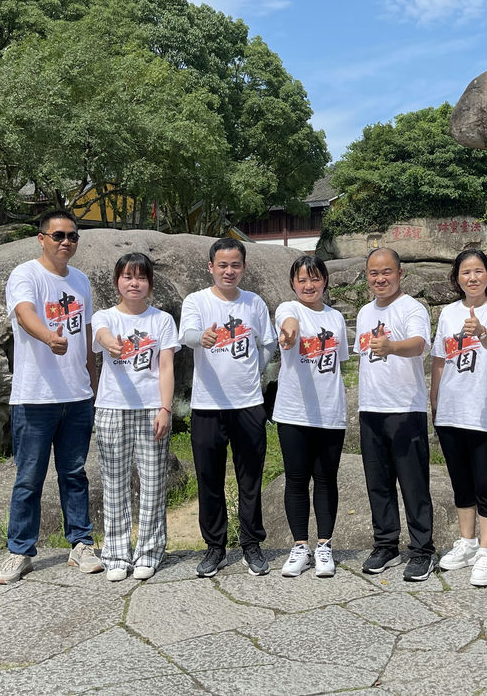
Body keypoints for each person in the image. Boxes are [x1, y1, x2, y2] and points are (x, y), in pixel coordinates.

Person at [0, 209, 102, 584]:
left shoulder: (81, 280)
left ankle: (81, 544)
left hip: (76, 396)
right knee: (29, 478)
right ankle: (20, 551)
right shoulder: (25, 275)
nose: (66, 242)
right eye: (58, 235)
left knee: (74, 474)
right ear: (41, 239)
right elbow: (24, 314)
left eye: (72, 236)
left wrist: (93, 386)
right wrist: (48, 337)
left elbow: (86, 335)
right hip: (34, 396)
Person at [180, 237, 277, 578]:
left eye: (235, 265)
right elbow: (188, 334)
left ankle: (251, 543)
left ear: (244, 267)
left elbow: (268, 343)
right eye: (222, 265)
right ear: (211, 267)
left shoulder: (254, 303)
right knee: (209, 478)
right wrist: (202, 338)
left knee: (250, 478)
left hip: (248, 404)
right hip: (207, 406)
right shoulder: (197, 301)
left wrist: (254, 371)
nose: (229, 271)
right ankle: (215, 547)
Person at [91, 252, 178, 582]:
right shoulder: (105, 317)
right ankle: (116, 554)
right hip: (112, 408)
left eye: (141, 277)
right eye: (128, 276)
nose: (134, 283)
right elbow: (101, 334)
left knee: (153, 483)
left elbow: (166, 367)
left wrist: (166, 408)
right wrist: (110, 343)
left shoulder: (162, 320)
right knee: (114, 483)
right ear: (117, 281)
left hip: (151, 409)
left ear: (150, 284)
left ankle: (149, 552)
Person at [430, 249, 487, 587]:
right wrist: (435, 399)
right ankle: (466, 543)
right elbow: (440, 359)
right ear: (457, 278)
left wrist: (480, 330)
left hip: (484, 413)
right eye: (466, 272)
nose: (473, 277)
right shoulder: (448, 313)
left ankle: (485, 550)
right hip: (451, 410)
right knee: (461, 483)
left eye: (479, 271)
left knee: (486, 483)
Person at [355, 247, 436, 581]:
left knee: (413, 483)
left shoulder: (411, 308)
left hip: (405, 410)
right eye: (374, 273)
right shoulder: (364, 312)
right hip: (370, 407)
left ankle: (422, 550)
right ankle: (386, 545)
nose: (380, 279)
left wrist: (391, 346)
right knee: (378, 483)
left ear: (400, 273)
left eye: (386, 272)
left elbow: (419, 344)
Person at [273, 255, 350, 578]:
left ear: (325, 281)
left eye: (315, 278)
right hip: (293, 412)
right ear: (293, 284)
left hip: (330, 411)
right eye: (302, 279)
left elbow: (338, 361)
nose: (309, 285)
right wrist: (289, 334)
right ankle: (300, 547)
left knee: (326, 479)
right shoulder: (288, 309)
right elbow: (288, 324)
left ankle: (324, 546)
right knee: (296, 479)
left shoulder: (336, 318)